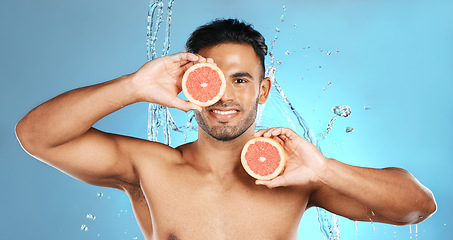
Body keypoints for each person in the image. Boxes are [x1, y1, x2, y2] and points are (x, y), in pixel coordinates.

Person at [16, 18, 436, 240]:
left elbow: (417, 207)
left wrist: (325, 170)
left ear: (263, 90)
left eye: (241, 80)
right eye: (212, 78)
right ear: (190, 84)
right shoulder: (148, 167)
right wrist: (133, 87)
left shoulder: (296, 175)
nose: (225, 97)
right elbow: (36, 136)